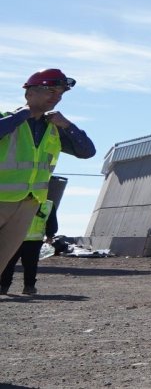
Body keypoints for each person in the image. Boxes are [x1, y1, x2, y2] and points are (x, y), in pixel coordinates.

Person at [1, 70, 95, 272]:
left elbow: (86, 151)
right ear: (29, 94)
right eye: (51, 91)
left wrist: (68, 125)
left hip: (28, 204)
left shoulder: (55, 129)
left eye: (60, 94)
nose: (56, 97)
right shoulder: (7, 120)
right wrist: (23, 115)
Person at [1, 197, 55, 296]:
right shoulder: (47, 204)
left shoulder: (17, 201)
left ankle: (5, 287)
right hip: (29, 240)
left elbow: (51, 221)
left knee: (11, 263)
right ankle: (26, 287)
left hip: (20, 239)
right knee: (28, 265)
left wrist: (50, 234)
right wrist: (50, 235)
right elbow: (52, 222)